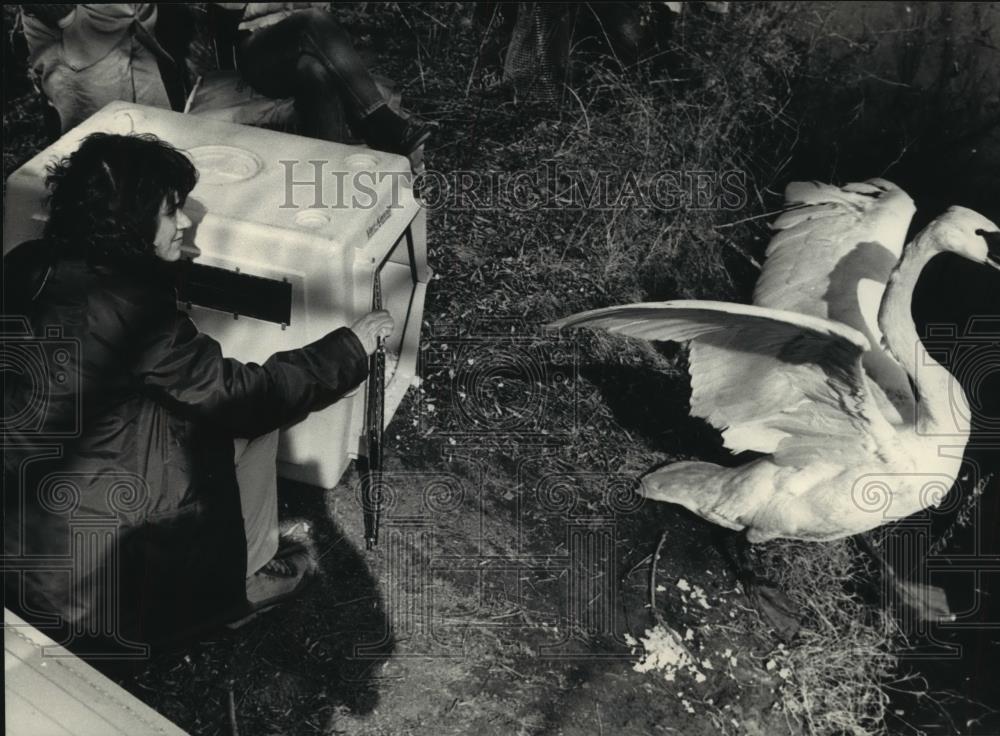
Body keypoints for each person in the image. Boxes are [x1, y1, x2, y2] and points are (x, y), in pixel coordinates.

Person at [2, 132, 393, 655]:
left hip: (25, 539)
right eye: (172, 210)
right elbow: (245, 395)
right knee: (253, 427)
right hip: (102, 582)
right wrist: (350, 347)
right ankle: (244, 584)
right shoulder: (133, 311)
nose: (184, 223)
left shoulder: (27, 263)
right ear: (132, 219)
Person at [212, 3, 430, 155]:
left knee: (315, 69)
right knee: (312, 19)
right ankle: (380, 119)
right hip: (261, 52)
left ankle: (327, 168)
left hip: (310, 49)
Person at [19, 4, 185, 133]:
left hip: (132, 23)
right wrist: (62, 13)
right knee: (98, 141)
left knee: (158, 131)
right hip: (79, 31)